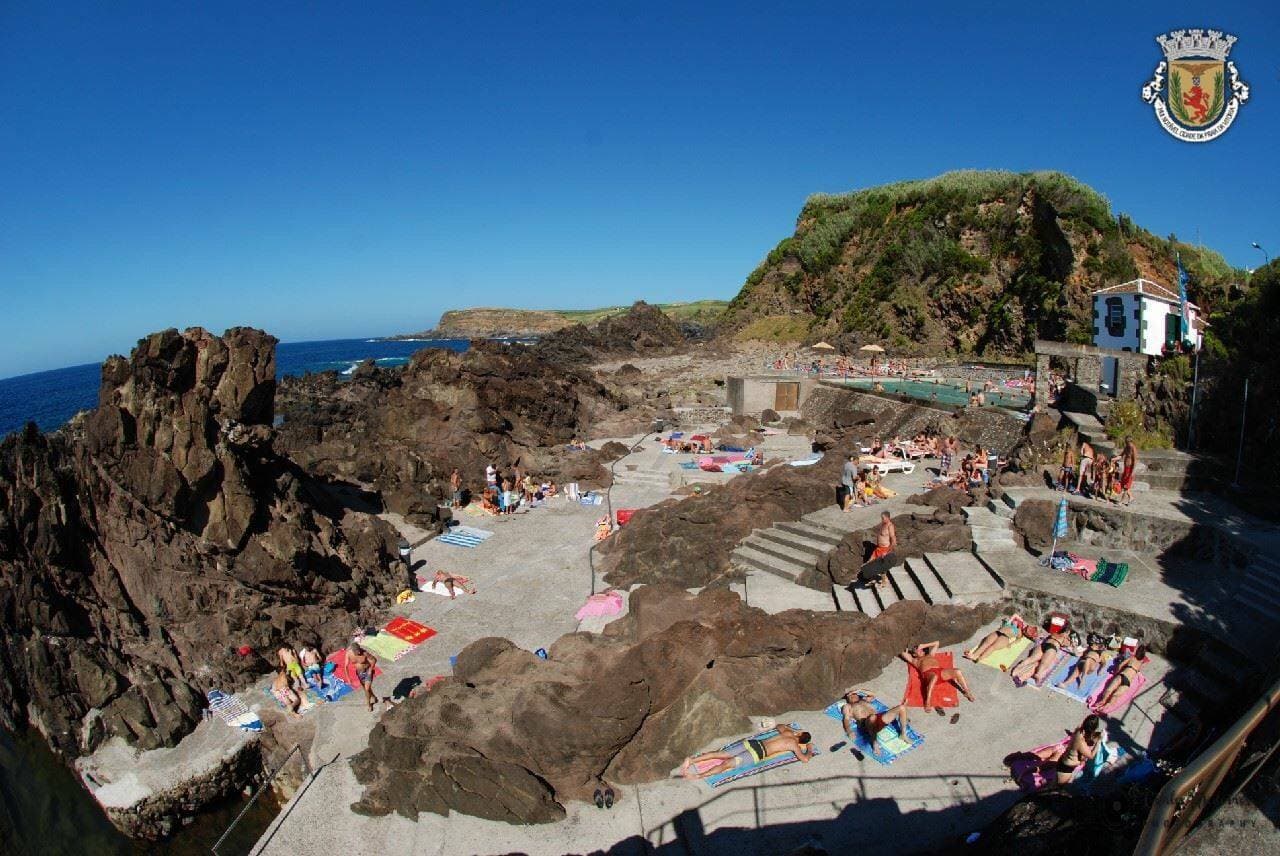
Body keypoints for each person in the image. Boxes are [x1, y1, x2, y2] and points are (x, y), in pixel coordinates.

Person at [679, 724, 815, 779]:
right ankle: (698, 776)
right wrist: (809, 749)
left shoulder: (788, 732)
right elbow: (805, 759)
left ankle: (691, 760)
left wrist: (794, 730)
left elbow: (779, 726)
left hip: (753, 743)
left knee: (721, 754)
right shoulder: (793, 745)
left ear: (799, 733)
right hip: (757, 753)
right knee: (726, 764)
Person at [840, 689, 909, 760]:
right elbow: (846, 719)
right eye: (849, 695)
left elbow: (873, 694)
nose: (852, 695)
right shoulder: (847, 706)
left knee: (902, 708)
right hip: (866, 724)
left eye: (854, 694)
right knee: (872, 718)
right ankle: (874, 743)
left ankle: (903, 734)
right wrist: (849, 731)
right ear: (847, 698)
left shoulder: (864, 700)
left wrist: (859, 690)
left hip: (879, 719)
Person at [900, 641, 976, 704]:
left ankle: (967, 692)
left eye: (921, 649)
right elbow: (903, 654)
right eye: (917, 650)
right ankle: (928, 700)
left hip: (940, 672)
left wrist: (924, 645)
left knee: (957, 671)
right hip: (928, 674)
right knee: (934, 676)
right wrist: (907, 651)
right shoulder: (915, 660)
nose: (921, 650)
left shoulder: (930, 655)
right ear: (914, 654)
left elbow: (937, 643)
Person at [1037, 715, 1103, 786]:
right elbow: (1091, 756)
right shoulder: (1081, 743)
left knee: (1056, 780)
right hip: (1067, 768)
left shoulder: (1078, 730)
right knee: (1058, 786)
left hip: (1063, 761)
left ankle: (1049, 782)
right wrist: (1098, 742)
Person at [1094, 646, 1149, 710]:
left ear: (1137, 652)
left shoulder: (1132, 658)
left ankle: (1103, 701)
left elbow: (1120, 665)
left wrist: (1116, 672)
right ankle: (1106, 706)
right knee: (1116, 695)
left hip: (1123, 675)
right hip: (1128, 682)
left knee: (1109, 690)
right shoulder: (1141, 664)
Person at [963, 615, 1028, 662]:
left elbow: (1019, 639)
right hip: (998, 632)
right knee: (986, 643)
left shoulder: (1019, 631)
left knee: (992, 647)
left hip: (1005, 637)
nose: (1016, 622)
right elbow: (1015, 615)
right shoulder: (1009, 623)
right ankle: (974, 655)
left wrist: (1011, 643)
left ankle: (979, 658)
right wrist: (1020, 620)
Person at [347, 643, 379, 712]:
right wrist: (348, 677)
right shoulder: (349, 654)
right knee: (366, 689)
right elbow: (345, 666)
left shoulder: (365, 653)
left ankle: (369, 704)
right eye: (356, 651)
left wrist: (370, 670)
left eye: (359, 650)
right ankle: (373, 697)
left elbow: (374, 660)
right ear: (352, 651)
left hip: (367, 671)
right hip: (359, 673)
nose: (358, 652)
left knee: (367, 689)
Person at [1120, 437, 1138, 506]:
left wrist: (1132, 472)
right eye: (1126, 442)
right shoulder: (1127, 447)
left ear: (1130, 441)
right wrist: (1114, 459)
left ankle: (1121, 501)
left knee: (1125, 486)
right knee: (1122, 484)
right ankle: (1131, 497)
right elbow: (1121, 455)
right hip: (1126, 468)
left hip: (1130, 469)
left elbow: (1135, 461)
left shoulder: (1133, 449)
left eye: (1127, 442)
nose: (1126, 443)